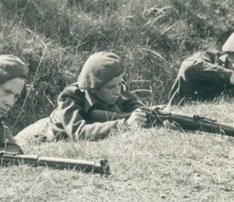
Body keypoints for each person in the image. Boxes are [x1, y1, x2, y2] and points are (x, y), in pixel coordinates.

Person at [15, 52, 151, 143]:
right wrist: (125, 124)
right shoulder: (71, 96)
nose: (117, 91)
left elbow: (140, 109)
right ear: (94, 87)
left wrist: (158, 117)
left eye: (120, 84)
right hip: (36, 136)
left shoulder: (118, 90)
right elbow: (78, 133)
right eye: (110, 87)